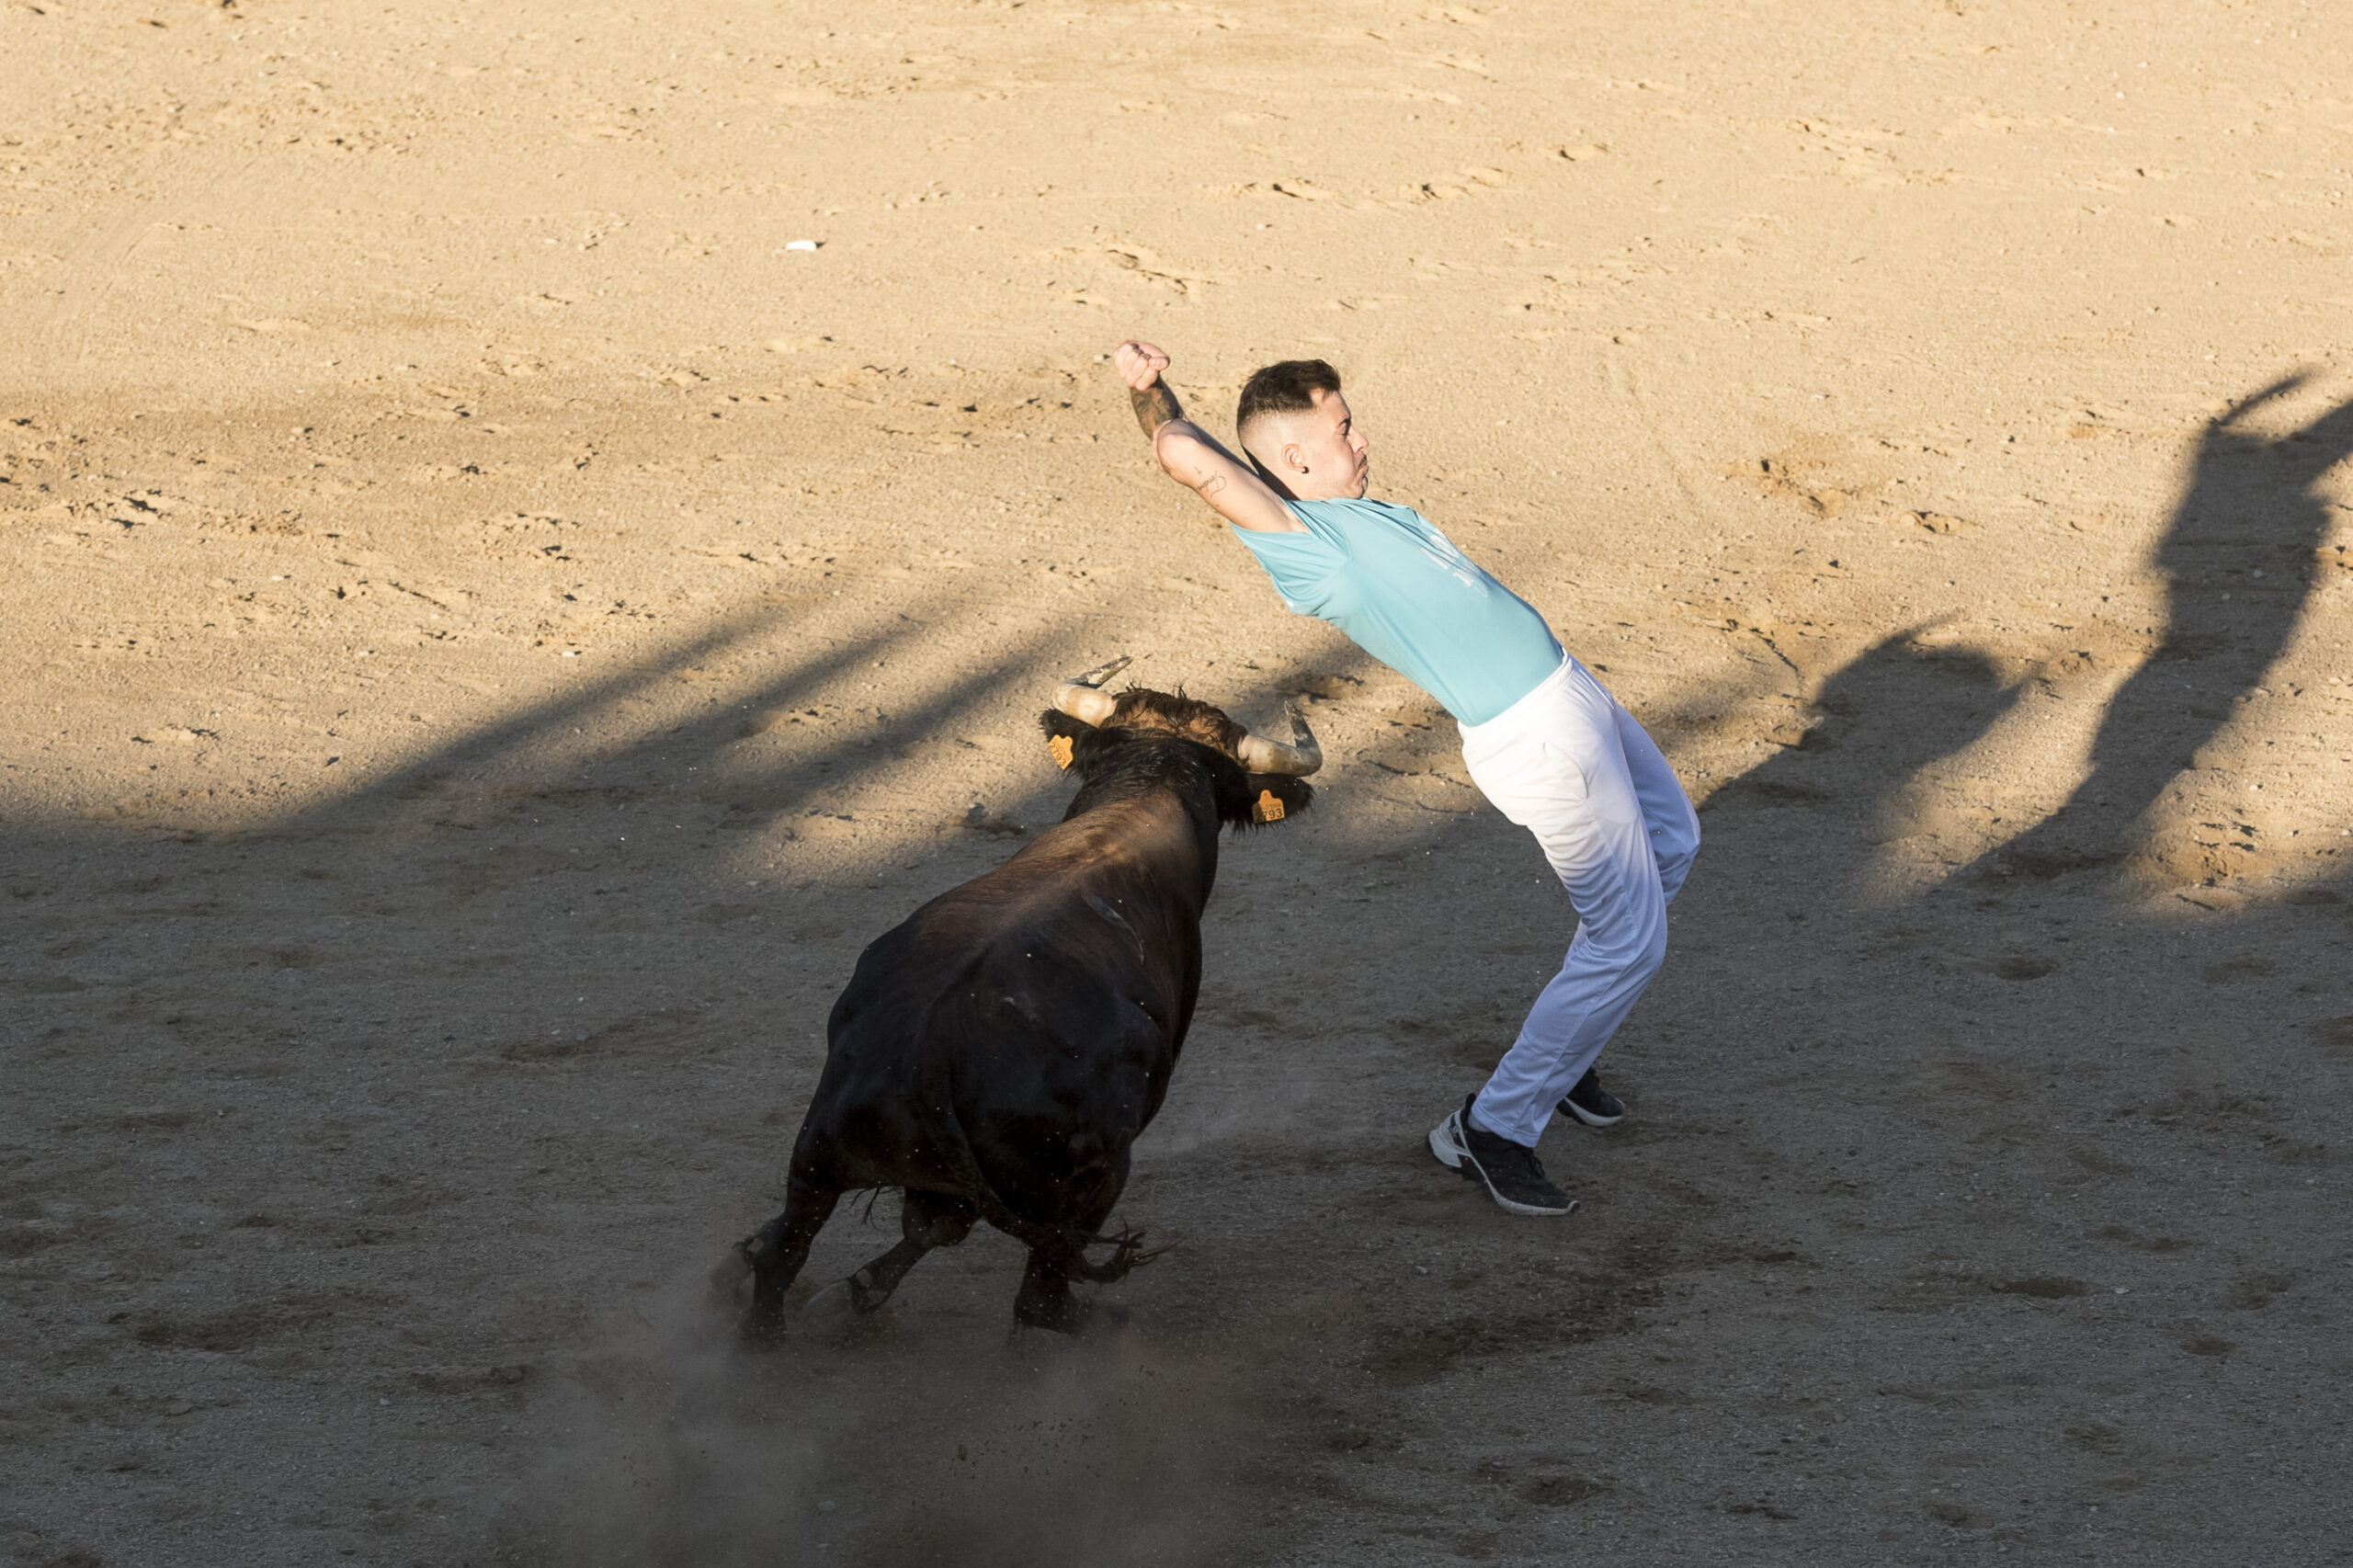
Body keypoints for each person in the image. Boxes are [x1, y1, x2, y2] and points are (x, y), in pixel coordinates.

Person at [1109, 341, 1699, 1216]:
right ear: (1296, 457)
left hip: (1573, 693)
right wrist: (1147, 388)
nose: (1361, 440)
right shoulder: (1308, 545)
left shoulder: (1345, 514)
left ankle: (1563, 1054)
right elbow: (1185, 454)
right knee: (1630, 941)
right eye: (1341, 428)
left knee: (1673, 842)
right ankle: (1491, 1130)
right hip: (1538, 739)